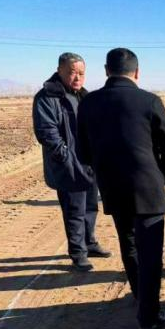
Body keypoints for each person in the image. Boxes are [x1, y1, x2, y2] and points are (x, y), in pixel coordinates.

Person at [77, 48, 165, 329]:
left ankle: (140, 297)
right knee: (150, 252)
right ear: (137, 72)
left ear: (106, 70)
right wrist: (161, 176)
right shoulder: (149, 100)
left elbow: (82, 152)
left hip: (112, 186)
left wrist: (105, 169)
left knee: (129, 244)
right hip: (147, 188)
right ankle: (148, 316)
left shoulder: (88, 103)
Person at [32, 52, 111, 271]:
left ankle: (90, 243)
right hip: (68, 165)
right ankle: (78, 253)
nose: (77, 78)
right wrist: (66, 158)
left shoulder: (83, 96)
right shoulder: (46, 97)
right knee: (74, 211)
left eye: (81, 73)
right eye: (72, 72)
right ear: (59, 71)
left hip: (88, 164)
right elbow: (47, 133)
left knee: (90, 207)